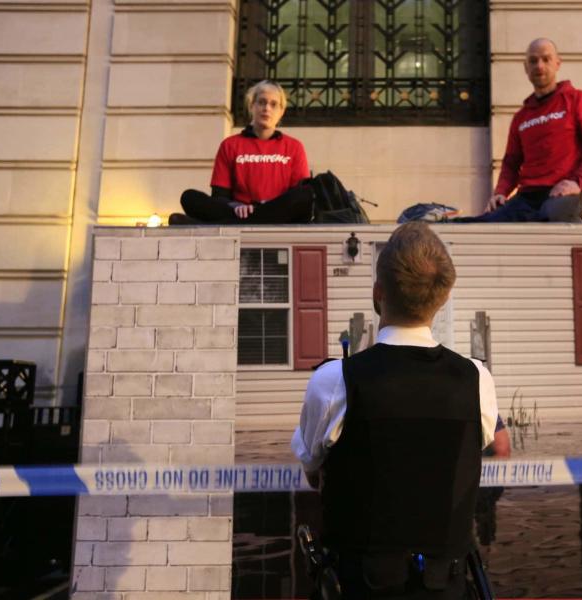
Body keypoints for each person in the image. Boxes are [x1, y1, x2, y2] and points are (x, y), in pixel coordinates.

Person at [292, 222, 499, 599]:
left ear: (377, 293)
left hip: (357, 588)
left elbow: (313, 473)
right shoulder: (476, 379)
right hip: (445, 589)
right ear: (443, 297)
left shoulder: (335, 380)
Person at [466, 38, 582, 223]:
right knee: (486, 222)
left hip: (562, 192)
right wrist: (500, 192)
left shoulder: (578, 100)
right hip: (527, 196)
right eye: (533, 61)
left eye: (546, 59)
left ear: (558, 63)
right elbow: (511, 163)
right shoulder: (521, 117)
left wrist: (578, 182)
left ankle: (576, 223)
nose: (539, 65)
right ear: (526, 68)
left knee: (549, 216)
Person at [169, 80, 313, 225]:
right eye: (261, 102)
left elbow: (298, 197)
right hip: (239, 213)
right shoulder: (230, 145)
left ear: (281, 111)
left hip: (276, 212)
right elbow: (219, 196)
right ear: (252, 106)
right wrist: (237, 206)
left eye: (273, 104)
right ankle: (246, 220)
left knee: (306, 194)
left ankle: (212, 225)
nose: (267, 108)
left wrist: (263, 208)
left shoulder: (294, 147)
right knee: (189, 197)